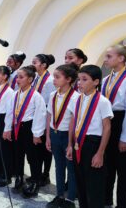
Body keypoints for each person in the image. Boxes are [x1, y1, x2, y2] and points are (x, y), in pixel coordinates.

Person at [66, 65, 113, 208]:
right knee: (81, 182)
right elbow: (73, 122)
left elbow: (107, 127)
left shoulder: (102, 101)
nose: (79, 83)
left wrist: (100, 153)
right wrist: (69, 145)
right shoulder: (76, 99)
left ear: (96, 82)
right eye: (79, 79)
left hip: (93, 144)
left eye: (84, 79)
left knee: (94, 185)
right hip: (78, 143)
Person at [3, 65, 46, 198]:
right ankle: (19, 177)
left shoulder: (36, 96)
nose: (18, 80)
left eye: (21, 77)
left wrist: (37, 134)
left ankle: (35, 181)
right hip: (17, 126)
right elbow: (10, 112)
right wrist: (7, 128)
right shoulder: (15, 94)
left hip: (29, 128)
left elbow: (40, 115)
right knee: (18, 154)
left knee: (32, 157)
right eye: (17, 77)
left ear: (30, 79)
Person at [45, 64, 79, 208]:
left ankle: (70, 198)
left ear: (68, 79)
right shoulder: (53, 94)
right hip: (54, 133)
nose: (54, 79)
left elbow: (76, 121)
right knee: (58, 166)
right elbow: (49, 116)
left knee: (71, 168)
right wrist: (47, 136)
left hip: (68, 136)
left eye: (57, 77)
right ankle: (59, 195)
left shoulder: (76, 97)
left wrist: (71, 143)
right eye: (54, 76)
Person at [102, 42, 126, 208]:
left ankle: (122, 205)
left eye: (109, 56)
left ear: (121, 58)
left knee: (124, 172)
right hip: (108, 124)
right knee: (108, 167)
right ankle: (106, 200)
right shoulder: (106, 79)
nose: (106, 60)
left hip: (121, 124)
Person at [32, 54, 57, 186]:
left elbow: (50, 103)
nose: (32, 64)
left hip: (45, 115)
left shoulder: (50, 80)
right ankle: (36, 173)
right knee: (36, 149)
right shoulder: (36, 78)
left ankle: (45, 174)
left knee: (45, 149)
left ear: (43, 65)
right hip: (35, 115)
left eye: (35, 62)